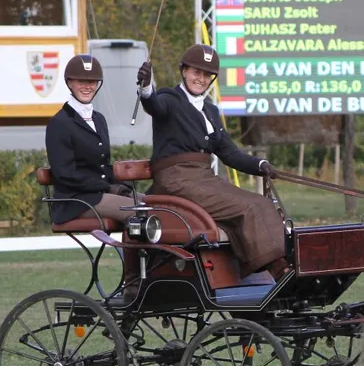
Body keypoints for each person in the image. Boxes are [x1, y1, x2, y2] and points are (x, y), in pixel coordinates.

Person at [136, 45, 288, 278]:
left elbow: (230, 153)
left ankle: (270, 267)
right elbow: (153, 104)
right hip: (176, 180)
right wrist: (146, 88)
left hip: (204, 179)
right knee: (250, 206)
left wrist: (260, 166)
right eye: (196, 72)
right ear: (184, 71)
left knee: (263, 203)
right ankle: (277, 270)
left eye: (207, 75)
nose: (201, 79)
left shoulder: (211, 111)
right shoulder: (170, 98)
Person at [45, 54, 140, 225]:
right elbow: (65, 175)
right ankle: (136, 252)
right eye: (81, 81)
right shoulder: (59, 123)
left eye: (92, 82)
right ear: (70, 83)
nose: (87, 86)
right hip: (76, 201)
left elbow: (101, 166)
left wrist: (120, 183)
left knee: (156, 206)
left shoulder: (99, 119)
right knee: (137, 212)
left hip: (100, 194)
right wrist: (106, 187)